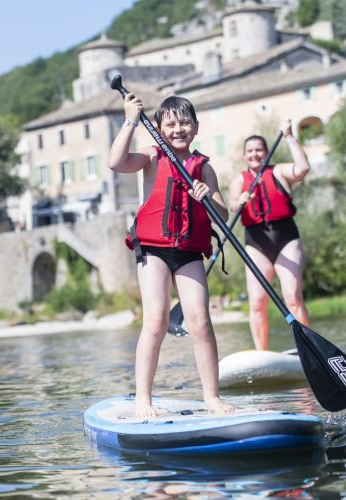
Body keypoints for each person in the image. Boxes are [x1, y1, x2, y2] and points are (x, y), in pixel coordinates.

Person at [108, 91, 234, 417]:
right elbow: (116, 162)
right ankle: (143, 400)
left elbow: (223, 213)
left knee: (201, 322)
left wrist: (209, 197)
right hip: (153, 249)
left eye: (185, 123)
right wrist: (130, 120)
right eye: (171, 124)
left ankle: (212, 397)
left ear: (195, 127)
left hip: (189, 250)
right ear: (161, 129)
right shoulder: (152, 157)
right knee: (155, 321)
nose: (178, 129)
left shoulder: (203, 169)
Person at [227, 120, 310, 351]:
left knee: (292, 298)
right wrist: (240, 200)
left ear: (265, 152)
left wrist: (290, 137)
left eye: (259, 150)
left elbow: (302, 169)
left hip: (285, 237)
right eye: (250, 151)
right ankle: (261, 352)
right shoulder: (239, 180)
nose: (254, 155)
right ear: (245, 156)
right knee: (256, 303)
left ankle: (308, 347)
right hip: (256, 242)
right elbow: (232, 205)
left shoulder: (279, 171)